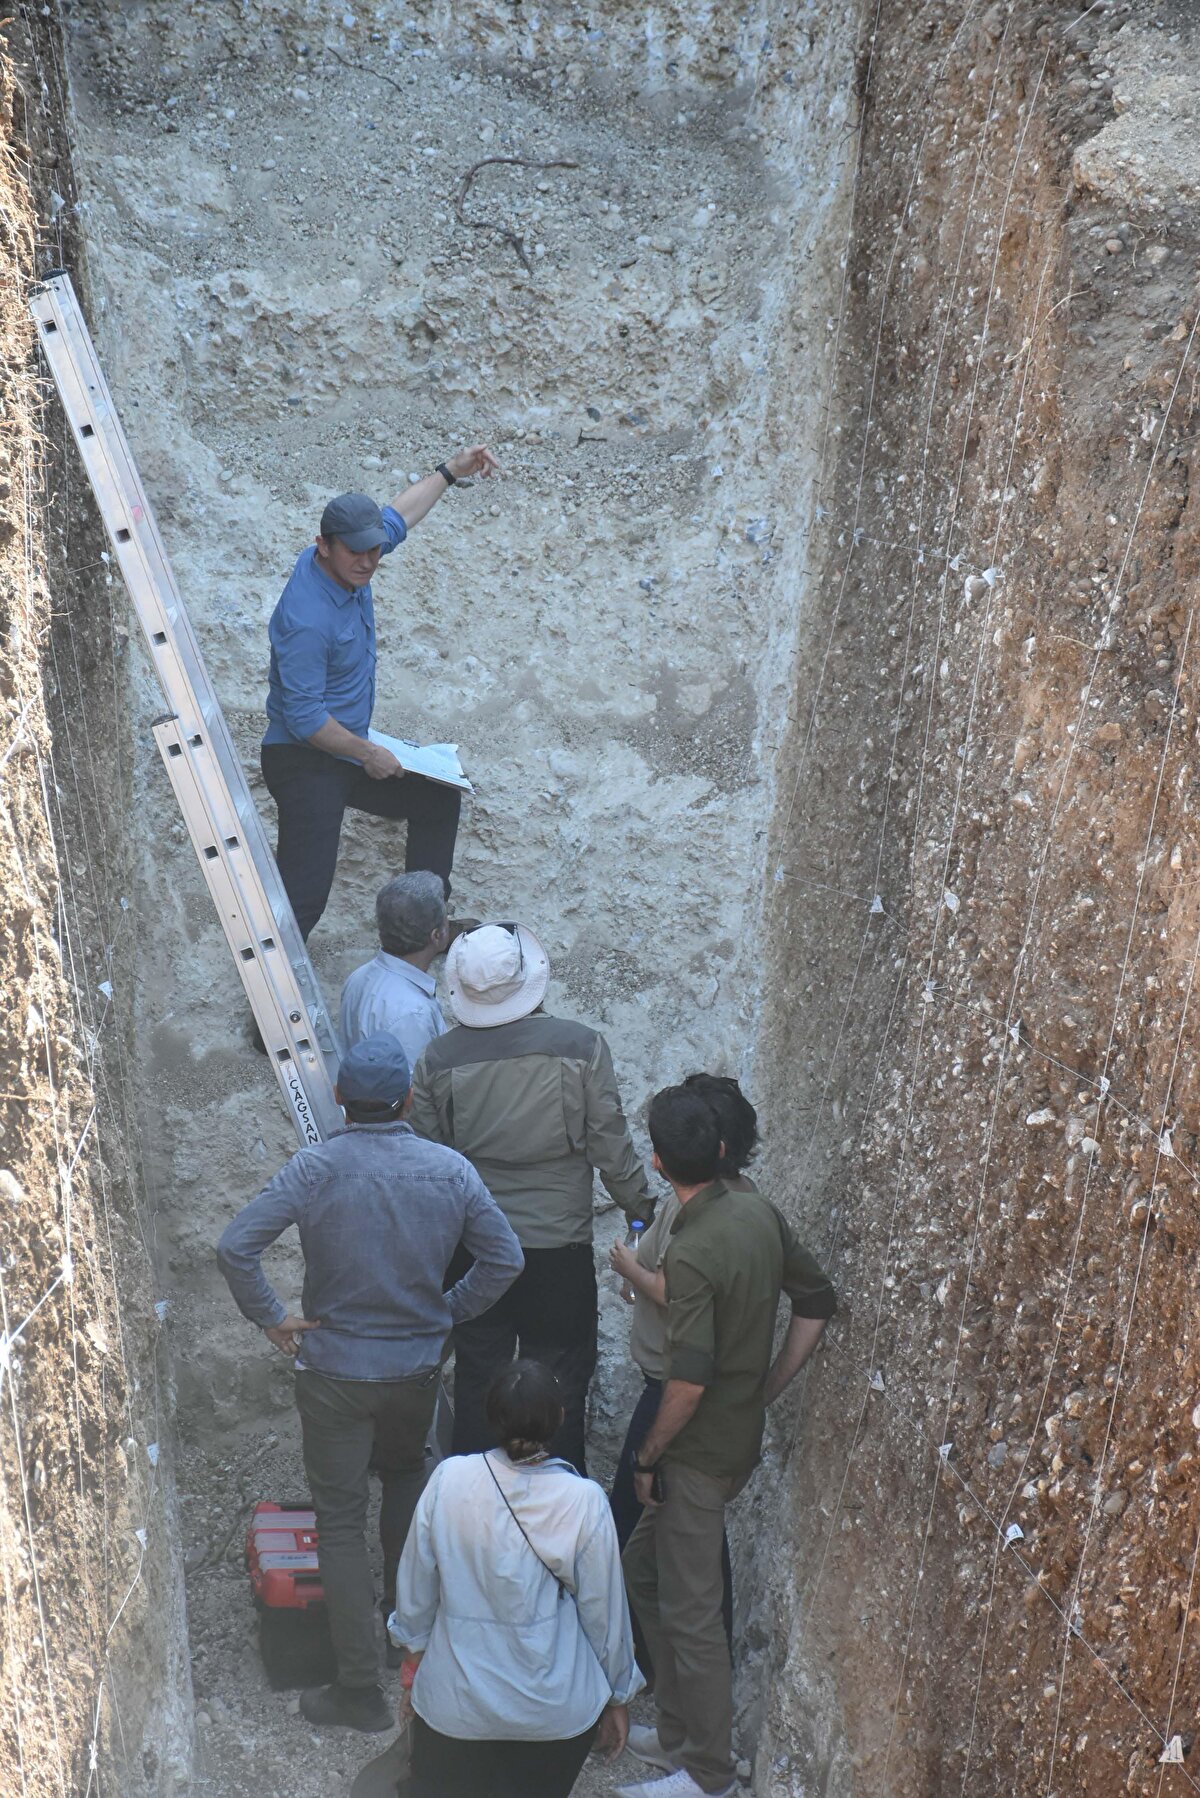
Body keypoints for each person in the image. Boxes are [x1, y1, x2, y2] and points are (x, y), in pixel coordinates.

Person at [215, 1031, 524, 1734]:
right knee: (406, 1486)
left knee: (340, 1520)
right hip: (414, 1370)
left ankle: (359, 1689)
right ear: (410, 1100)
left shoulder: (315, 1168)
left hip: (332, 1373)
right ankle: (400, 1642)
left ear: (339, 1099)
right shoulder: (450, 1171)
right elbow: (504, 1260)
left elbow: (236, 1246)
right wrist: (447, 1314)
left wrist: (272, 1319)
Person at [617, 1084, 837, 1798]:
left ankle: (708, 1774)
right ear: (718, 1151)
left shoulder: (691, 1249)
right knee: (646, 1571)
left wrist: (648, 1457)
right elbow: (816, 1298)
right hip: (731, 1440)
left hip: (697, 1455)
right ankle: (681, 1731)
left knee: (692, 1613)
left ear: (657, 1162)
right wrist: (769, 1387)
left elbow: (687, 1385)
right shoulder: (757, 1213)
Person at [409, 922, 653, 1475]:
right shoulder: (582, 1047)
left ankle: (474, 1513)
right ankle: (561, 1512)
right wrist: (642, 1210)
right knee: (561, 1381)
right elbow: (610, 1146)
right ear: (530, 980)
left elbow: (429, 1159)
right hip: (558, 1244)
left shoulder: (437, 1061)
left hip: (475, 1247)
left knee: (478, 1378)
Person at [260, 451, 498, 940]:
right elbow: (304, 719)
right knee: (303, 898)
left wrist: (450, 471)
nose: (369, 562)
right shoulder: (306, 619)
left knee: (437, 799)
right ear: (322, 546)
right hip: (303, 758)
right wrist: (369, 753)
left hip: (346, 747)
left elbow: (401, 514)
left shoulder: (353, 556)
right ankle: (269, 1008)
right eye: (356, 552)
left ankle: (425, 931)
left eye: (373, 550)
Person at [389, 1359, 643, 1798]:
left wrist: (413, 1658)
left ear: (492, 1418)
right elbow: (605, 1615)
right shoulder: (584, 1501)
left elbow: (415, 1588)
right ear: (559, 1419)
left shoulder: (450, 1479)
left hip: (457, 1707)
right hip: (555, 1716)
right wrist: (618, 1695)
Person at [608, 1073, 756, 1661]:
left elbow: (673, 1290)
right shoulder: (742, 1208)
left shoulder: (698, 1217)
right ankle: (664, 1660)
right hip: (694, 1389)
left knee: (639, 1519)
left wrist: (628, 1269)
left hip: (673, 1390)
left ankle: (646, 1660)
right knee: (684, 1529)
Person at [340, 870, 455, 1066]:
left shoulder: (359, 977)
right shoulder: (414, 1014)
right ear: (436, 935)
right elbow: (413, 1092)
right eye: (448, 913)